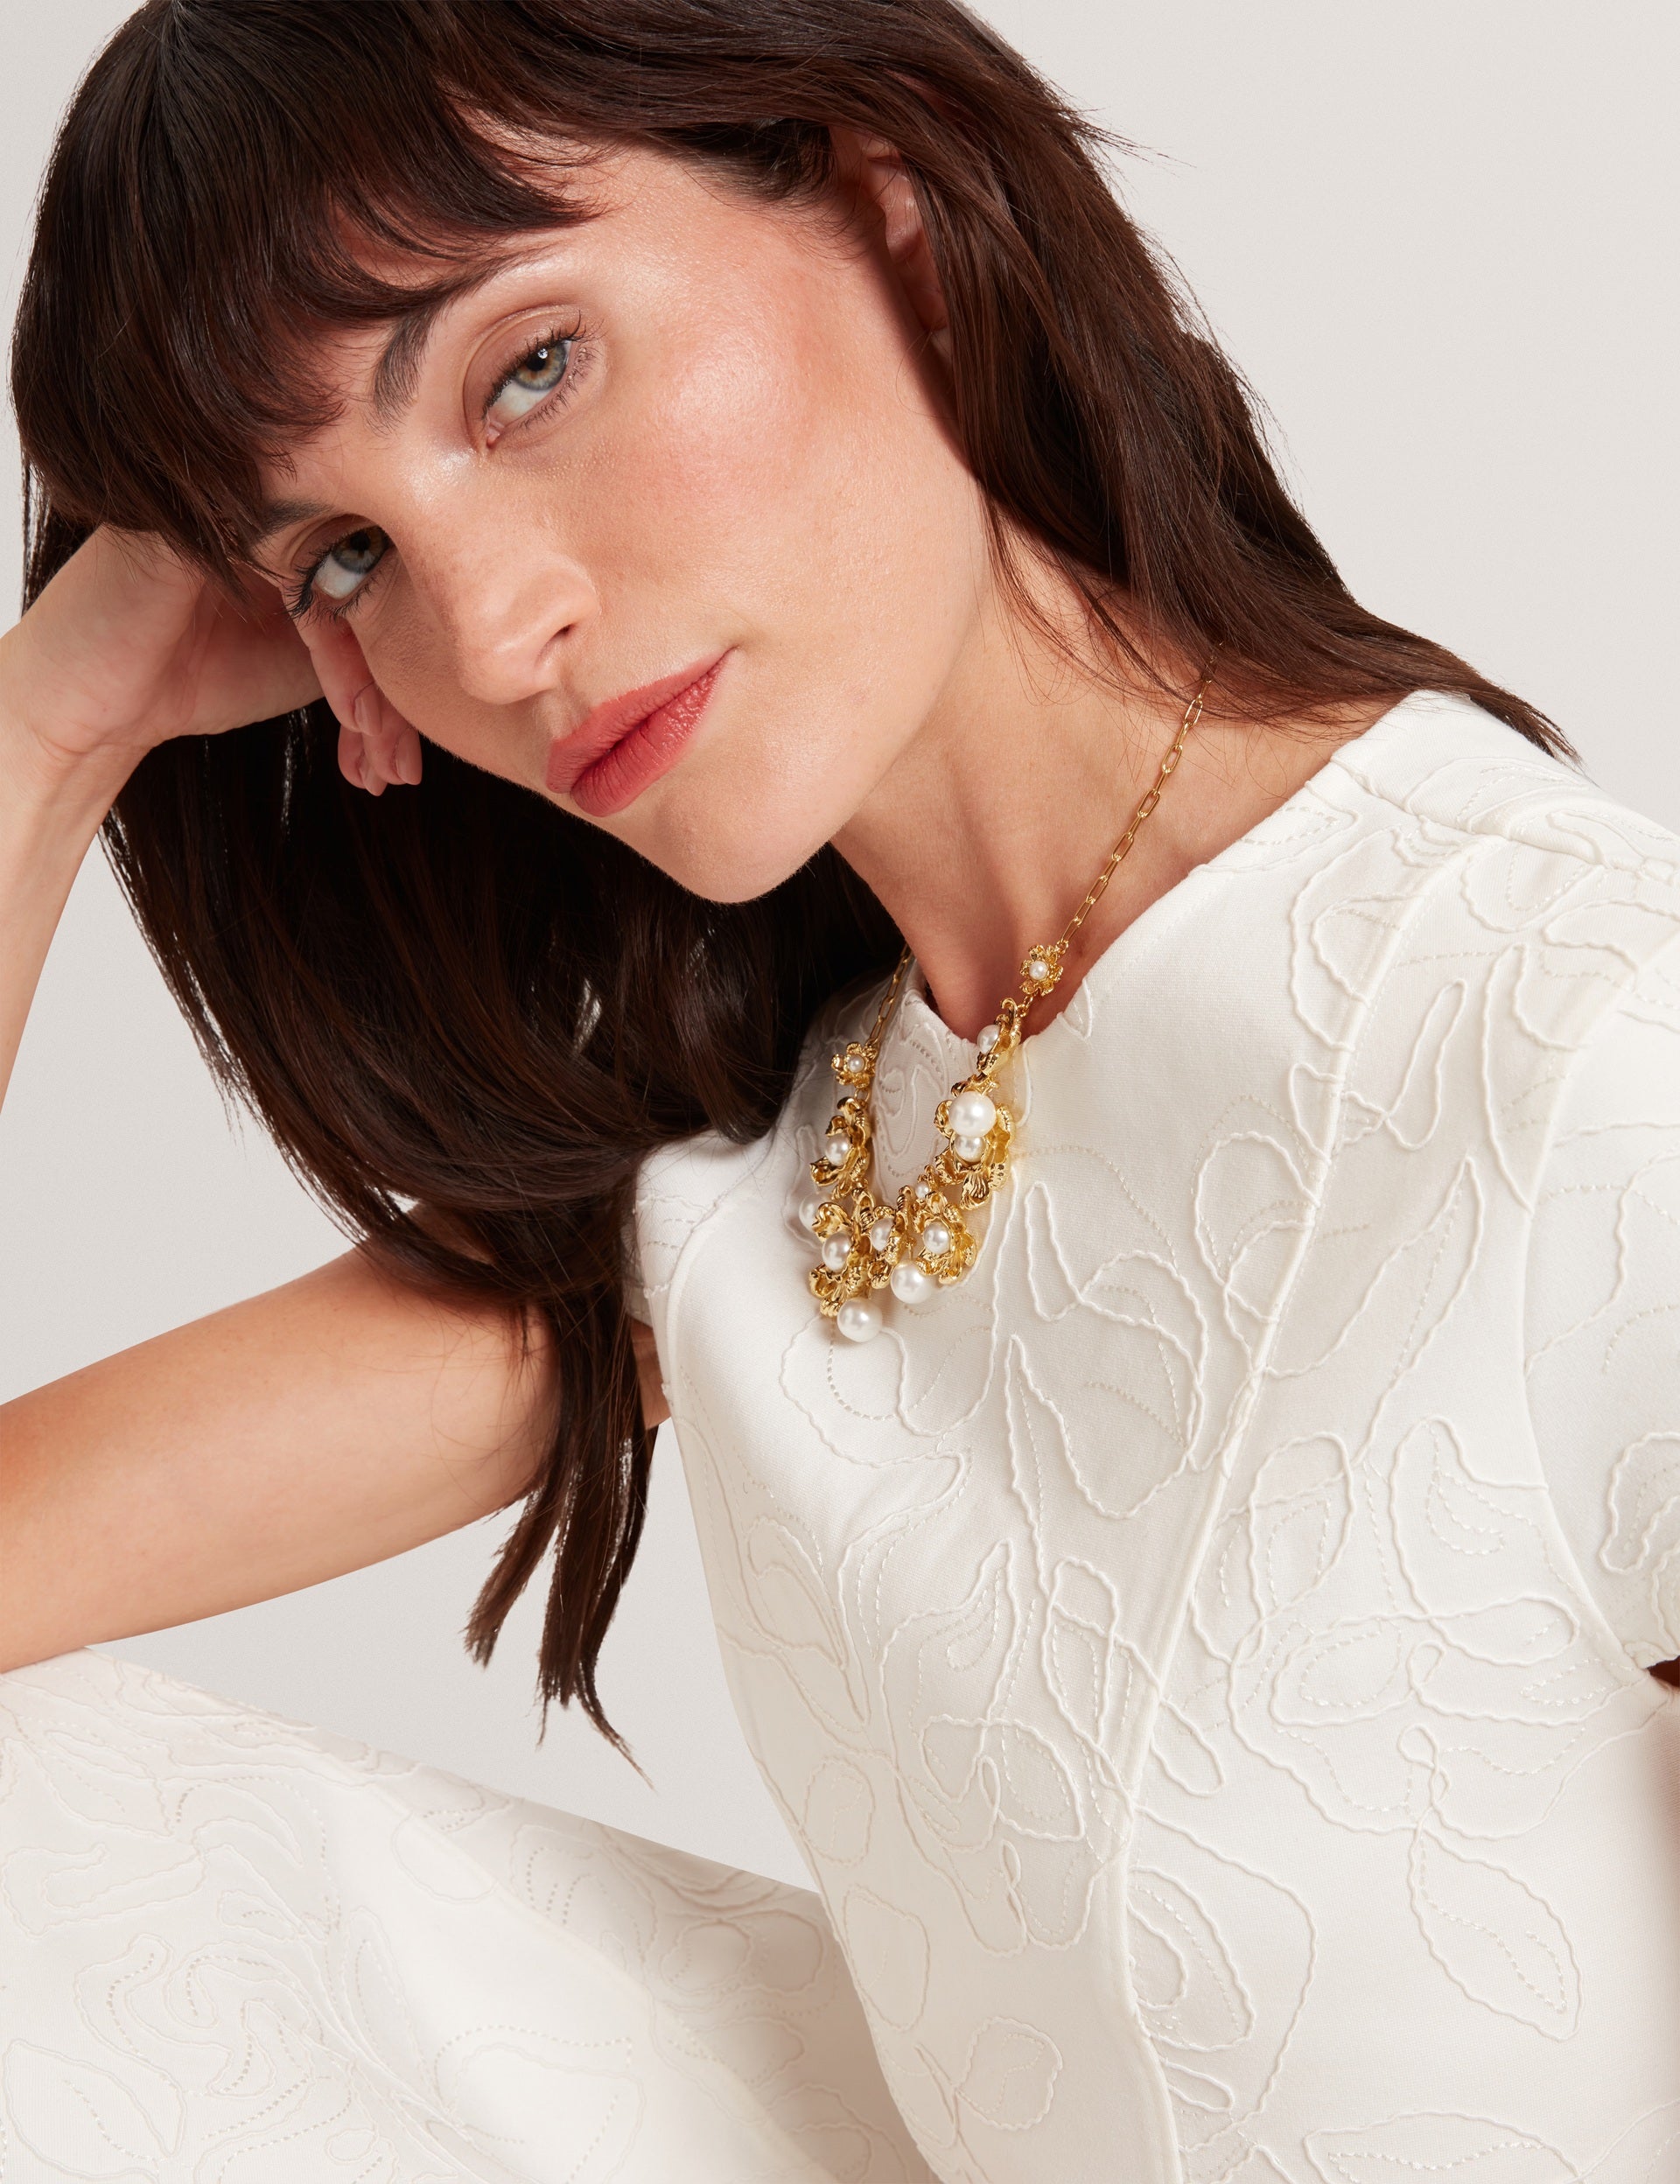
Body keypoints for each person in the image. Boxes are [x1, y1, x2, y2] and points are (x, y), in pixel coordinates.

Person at [1, 1, 1676, 2177]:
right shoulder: (751, 1192)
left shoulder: (1584, 1061)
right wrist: (53, 723)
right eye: (344, 558)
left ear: (899, 214)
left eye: (530, 368)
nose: (489, 633)